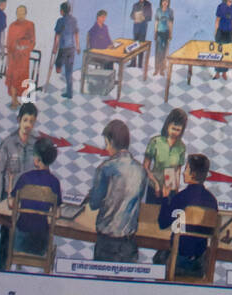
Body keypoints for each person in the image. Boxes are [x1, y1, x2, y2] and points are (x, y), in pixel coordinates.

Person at [88, 119, 147, 263]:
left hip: (106, 244)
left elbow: (93, 204)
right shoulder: (141, 171)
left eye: (106, 143)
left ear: (111, 141)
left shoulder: (105, 168)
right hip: (129, 245)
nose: (106, 148)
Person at [0, 103, 39, 269]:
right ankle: (1, 271)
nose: (28, 124)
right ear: (19, 120)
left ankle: (20, 272)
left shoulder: (36, 144)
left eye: (32, 121)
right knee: (6, 237)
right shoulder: (8, 143)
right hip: (9, 198)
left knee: (23, 239)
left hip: (28, 200)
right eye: (25, 120)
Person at [158, 153, 219, 277]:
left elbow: (163, 223)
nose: (183, 173)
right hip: (199, 265)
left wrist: (165, 197)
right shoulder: (212, 200)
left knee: (158, 258)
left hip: (178, 263)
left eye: (186, 169)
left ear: (193, 174)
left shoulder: (181, 197)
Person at [8, 137, 63, 262]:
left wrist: (10, 182)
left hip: (20, 240)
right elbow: (57, 214)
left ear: (37, 160)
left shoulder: (25, 178)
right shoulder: (55, 182)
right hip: (41, 242)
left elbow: (11, 204)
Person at [143, 109, 188, 206]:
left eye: (178, 130)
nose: (175, 132)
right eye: (173, 128)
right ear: (167, 125)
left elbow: (178, 171)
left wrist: (176, 192)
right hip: (154, 189)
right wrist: (155, 184)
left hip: (170, 191)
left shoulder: (181, 147)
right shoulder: (155, 142)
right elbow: (145, 167)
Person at [5, 5, 36, 109]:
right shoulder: (12, 25)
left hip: (24, 58)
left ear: (25, 13)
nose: (20, 14)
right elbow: (9, 42)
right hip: (14, 57)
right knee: (13, 78)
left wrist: (25, 47)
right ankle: (13, 100)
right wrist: (14, 49)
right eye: (18, 12)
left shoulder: (30, 24)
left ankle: (19, 100)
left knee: (22, 79)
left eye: (22, 12)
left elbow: (32, 41)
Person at [52, 1, 80, 100]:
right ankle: (69, 92)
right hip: (71, 48)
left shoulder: (60, 21)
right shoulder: (74, 20)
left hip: (63, 48)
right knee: (69, 71)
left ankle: (58, 71)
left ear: (62, 11)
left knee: (58, 64)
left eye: (60, 10)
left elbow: (57, 35)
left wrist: (55, 48)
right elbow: (76, 34)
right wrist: (78, 46)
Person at [212, 0, 232, 80]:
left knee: (226, 53)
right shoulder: (221, 6)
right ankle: (217, 73)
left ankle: (224, 73)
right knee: (218, 53)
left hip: (229, 32)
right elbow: (217, 20)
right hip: (220, 32)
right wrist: (215, 32)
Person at [154, 0, 174, 76]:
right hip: (159, 32)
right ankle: (156, 69)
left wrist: (170, 33)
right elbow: (156, 22)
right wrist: (155, 32)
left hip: (166, 33)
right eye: (164, 1)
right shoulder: (158, 10)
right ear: (161, 1)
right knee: (158, 51)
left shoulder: (170, 11)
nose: (165, 3)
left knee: (164, 51)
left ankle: (162, 69)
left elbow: (170, 23)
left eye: (167, 1)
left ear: (168, 2)